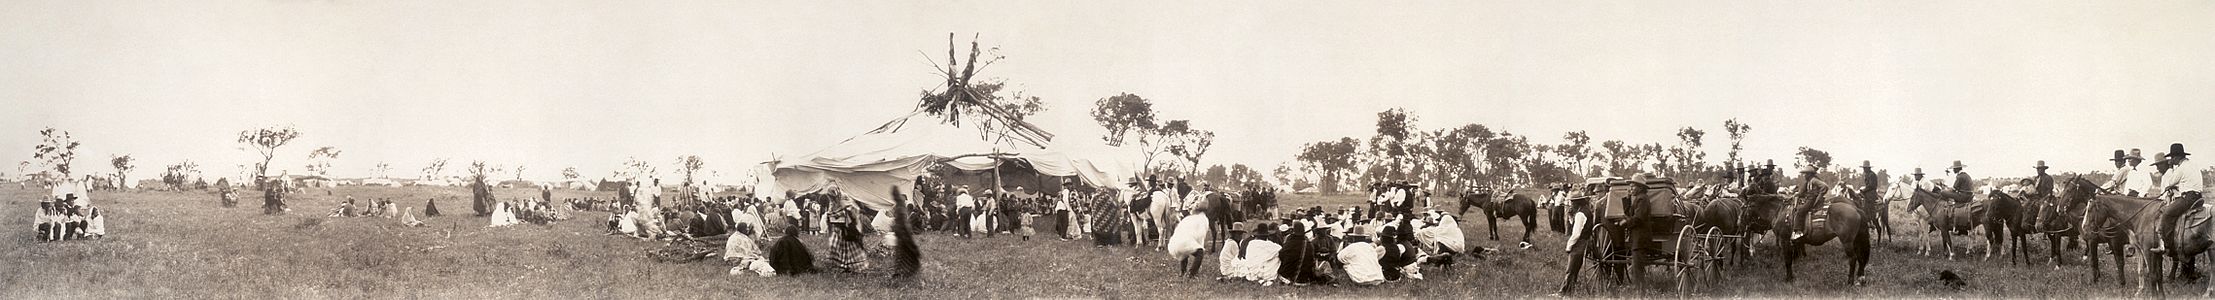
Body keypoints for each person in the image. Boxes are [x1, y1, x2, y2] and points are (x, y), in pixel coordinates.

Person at [2153, 144, 2205, 253]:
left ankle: (2168, 245)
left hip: (2188, 197)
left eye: (2172, 158)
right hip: (2197, 196)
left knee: (2167, 213)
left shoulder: (2181, 168)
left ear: (2176, 157)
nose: (2171, 160)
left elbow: (2170, 181)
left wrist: (2171, 168)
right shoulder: (2192, 165)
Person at [1167, 212, 1212, 278]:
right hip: (1182, 243)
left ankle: (1183, 272)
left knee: (1185, 251)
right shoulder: (1201, 220)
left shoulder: (1187, 220)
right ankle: (1192, 274)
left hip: (1172, 245)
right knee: (1200, 252)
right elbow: (1200, 236)